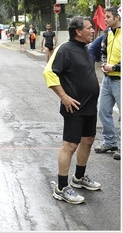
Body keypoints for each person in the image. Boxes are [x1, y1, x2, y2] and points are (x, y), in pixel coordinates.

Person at [43, 16, 101, 205]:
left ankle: (79, 178)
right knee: (70, 145)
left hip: (90, 106)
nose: (92, 30)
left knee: (88, 141)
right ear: (78, 31)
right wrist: (64, 97)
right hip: (74, 107)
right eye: (89, 28)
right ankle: (61, 187)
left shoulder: (85, 49)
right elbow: (49, 72)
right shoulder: (65, 49)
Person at [94, 6, 121, 160]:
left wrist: (115, 67)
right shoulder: (109, 33)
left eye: (108, 17)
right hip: (107, 79)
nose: (105, 19)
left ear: (117, 18)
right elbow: (104, 52)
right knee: (104, 111)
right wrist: (104, 64)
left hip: (119, 80)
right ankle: (110, 142)